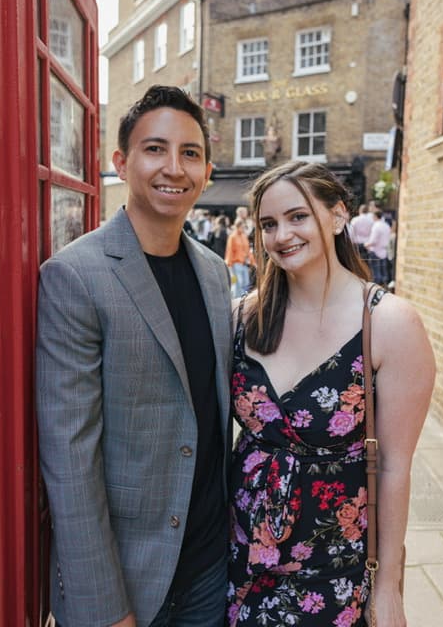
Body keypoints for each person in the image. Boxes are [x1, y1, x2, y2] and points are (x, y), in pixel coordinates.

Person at [36, 85, 233, 627]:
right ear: (121, 162)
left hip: (209, 569)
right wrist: (104, 606)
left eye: (190, 153)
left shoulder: (216, 274)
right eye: (155, 149)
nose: (174, 167)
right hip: (126, 578)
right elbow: (70, 458)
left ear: (207, 171)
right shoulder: (75, 276)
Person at [227, 161, 435, 627]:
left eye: (298, 216)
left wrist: (387, 587)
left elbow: (395, 466)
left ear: (338, 216)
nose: (282, 235)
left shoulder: (388, 323)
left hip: (334, 567)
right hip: (241, 555)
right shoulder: (241, 317)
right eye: (268, 223)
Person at [225, 217, 255, 298]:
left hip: (244, 263)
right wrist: (229, 264)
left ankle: (244, 300)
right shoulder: (232, 237)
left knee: (246, 283)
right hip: (236, 263)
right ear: (238, 226)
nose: (243, 228)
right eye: (242, 227)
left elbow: (248, 250)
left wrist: (253, 262)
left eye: (244, 227)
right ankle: (237, 302)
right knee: (238, 284)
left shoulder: (244, 236)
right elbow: (230, 250)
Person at [364, 209, 391, 286]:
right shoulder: (386, 225)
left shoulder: (376, 226)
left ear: (375, 216)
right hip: (384, 252)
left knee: (376, 275)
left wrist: (366, 245)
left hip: (375, 251)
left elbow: (373, 241)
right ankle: (385, 289)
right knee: (384, 274)